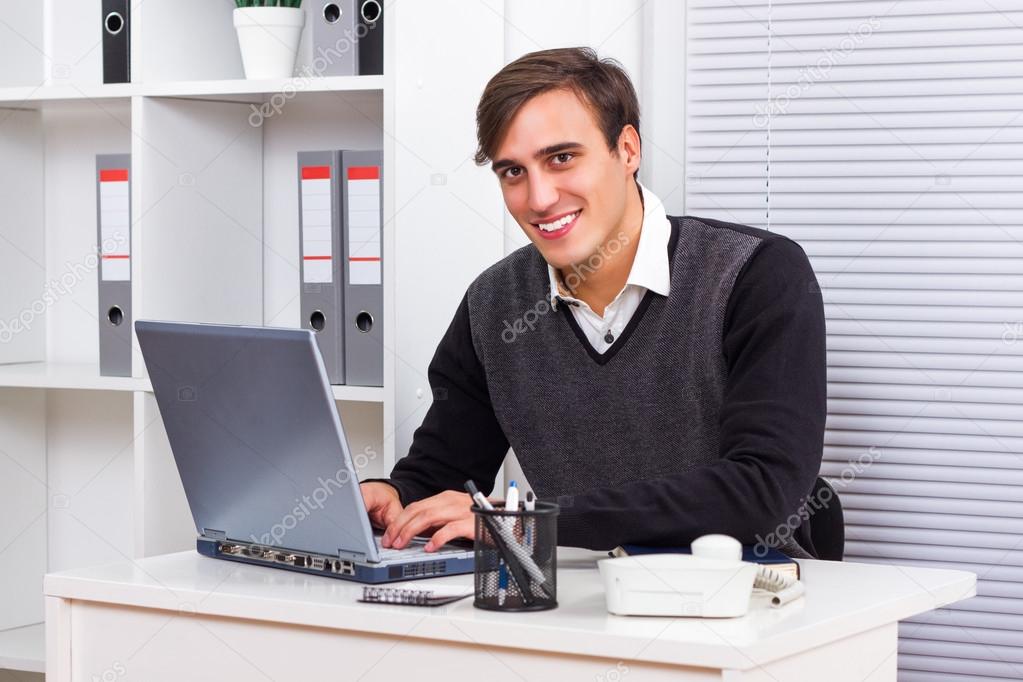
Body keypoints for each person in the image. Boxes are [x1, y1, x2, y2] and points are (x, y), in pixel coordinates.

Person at [360, 46, 827, 558]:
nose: (539, 199)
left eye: (561, 158)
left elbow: (763, 490)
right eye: (513, 172)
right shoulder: (494, 304)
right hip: (585, 602)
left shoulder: (754, 274)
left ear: (627, 150)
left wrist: (531, 523)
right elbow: (444, 475)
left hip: (750, 599)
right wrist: (396, 497)